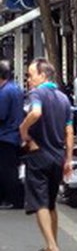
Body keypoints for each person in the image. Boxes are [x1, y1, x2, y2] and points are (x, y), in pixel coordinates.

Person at [18, 58, 74, 251]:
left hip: (39, 154)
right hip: (57, 157)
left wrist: (23, 130)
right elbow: (69, 131)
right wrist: (68, 159)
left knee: (39, 202)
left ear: (42, 76)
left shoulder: (37, 94)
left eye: (31, 75)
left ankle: (52, 246)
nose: (29, 80)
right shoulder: (64, 99)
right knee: (51, 203)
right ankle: (52, 243)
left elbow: (36, 113)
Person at [0, 61, 24, 209]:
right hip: (14, 135)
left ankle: (14, 199)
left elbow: (1, 115)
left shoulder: (4, 93)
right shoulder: (16, 89)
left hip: (5, 135)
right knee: (9, 168)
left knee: (7, 170)